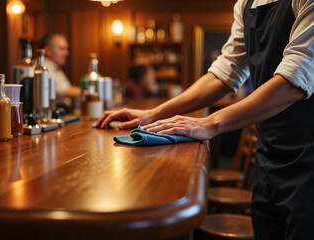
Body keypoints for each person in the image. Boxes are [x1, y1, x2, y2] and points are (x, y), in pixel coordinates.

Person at [96, 0, 314, 238]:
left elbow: (296, 76)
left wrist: (210, 123)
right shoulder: (245, 3)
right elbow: (225, 72)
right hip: (268, 150)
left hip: (307, 153)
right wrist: (155, 113)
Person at [39, 32, 81, 101]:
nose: (67, 53)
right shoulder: (42, 67)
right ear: (48, 50)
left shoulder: (54, 66)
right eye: (62, 49)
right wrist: (91, 92)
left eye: (66, 49)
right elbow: (64, 91)